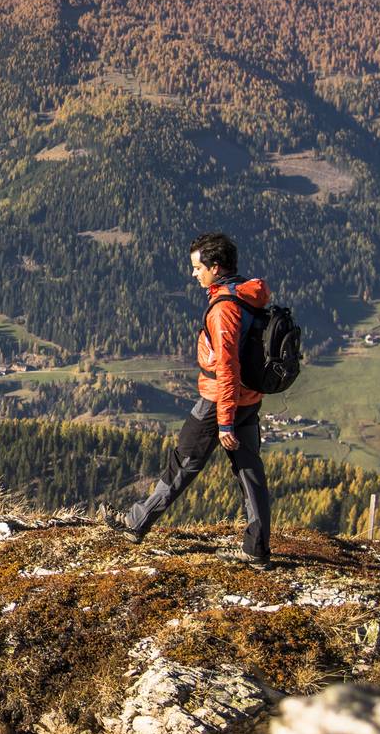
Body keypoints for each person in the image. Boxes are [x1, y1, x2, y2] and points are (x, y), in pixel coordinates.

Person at [107, 232, 274, 568]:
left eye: (198, 267)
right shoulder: (248, 295)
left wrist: (224, 420)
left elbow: (227, 367)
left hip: (218, 402)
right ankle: (256, 549)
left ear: (215, 267)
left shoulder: (224, 309)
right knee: (249, 470)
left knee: (183, 462)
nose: (194, 273)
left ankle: (136, 522)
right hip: (248, 398)